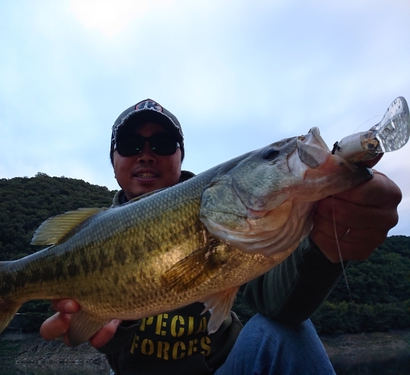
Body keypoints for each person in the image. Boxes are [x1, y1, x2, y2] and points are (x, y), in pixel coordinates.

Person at [40, 99, 401, 374]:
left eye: (163, 143)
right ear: (113, 159)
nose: (147, 154)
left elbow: (281, 307)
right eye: (131, 144)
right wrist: (112, 327)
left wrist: (325, 245)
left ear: (180, 155)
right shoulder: (87, 239)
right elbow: (103, 335)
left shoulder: (232, 219)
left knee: (286, 333)